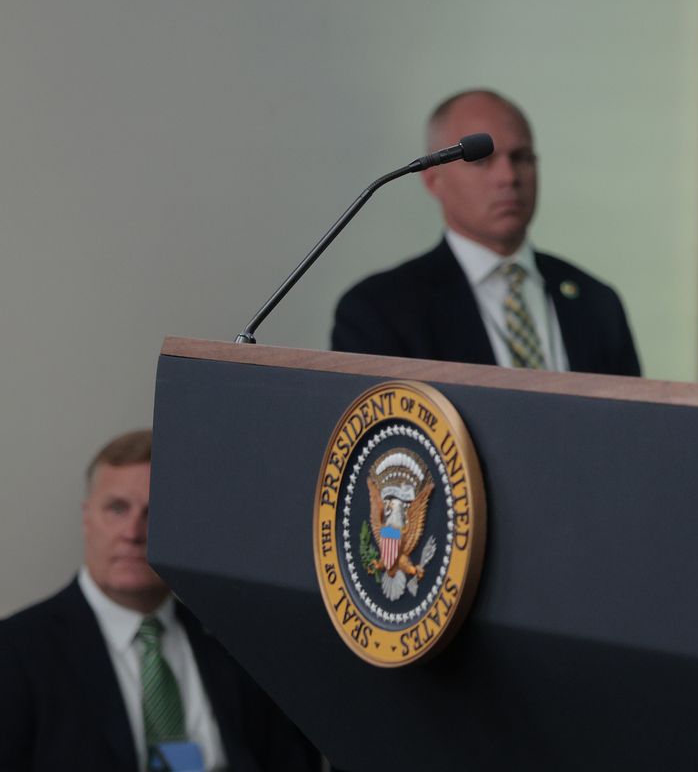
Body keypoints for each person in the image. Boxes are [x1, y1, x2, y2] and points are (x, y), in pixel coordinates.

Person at [0, 429, 320, 771]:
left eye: (155, 512)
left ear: (185, 527)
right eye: (118, 509)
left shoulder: (238, 644)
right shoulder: (15, 651)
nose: (134, 533)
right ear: (87, 518)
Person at [332, 89, 643, 376]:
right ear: (432, 180)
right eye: (483, 160)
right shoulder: (380, 309)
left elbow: (634, 428)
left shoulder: (596, 302)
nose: (508, 177)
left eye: (521, 158)